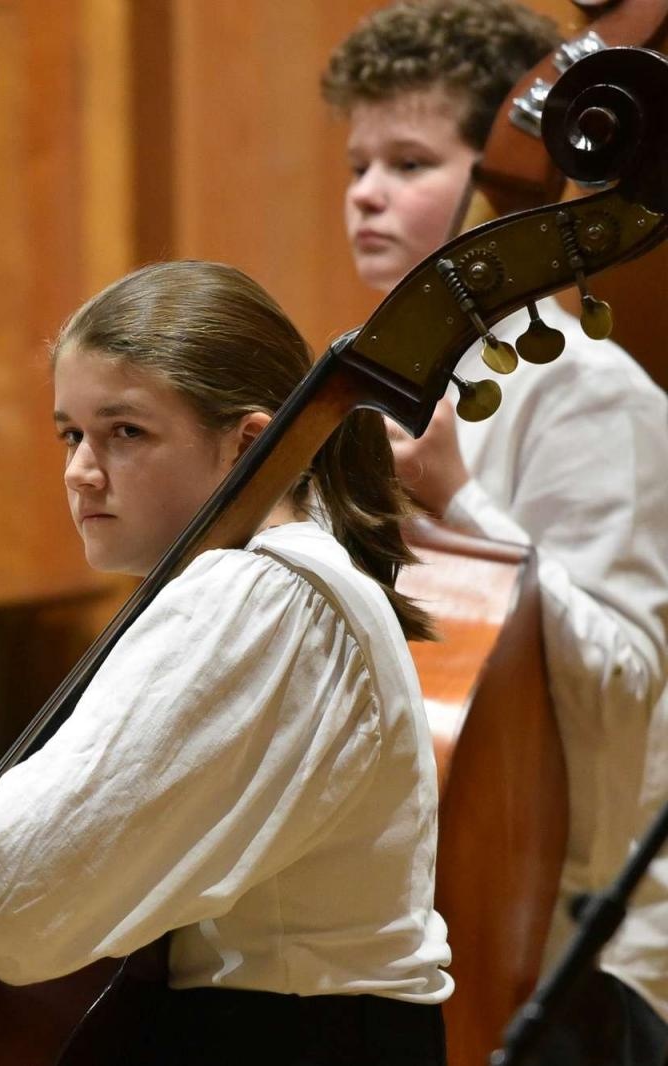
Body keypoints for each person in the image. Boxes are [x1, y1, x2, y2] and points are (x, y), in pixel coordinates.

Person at [0, 260, 452, 1064]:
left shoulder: (265, 591)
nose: (81, 469)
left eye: (125, 433)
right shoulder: (292, 581)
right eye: (71, 433)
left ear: (249, 445)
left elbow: (62, 838)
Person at [323, 3, 668, 1062]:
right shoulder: (385, 385)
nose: (366, 193)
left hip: (573, 937)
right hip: (440, 913)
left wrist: (461, 508)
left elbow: (625, 674)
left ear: (493, 179)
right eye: (357, 163)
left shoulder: (587, 392)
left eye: (409, 161)